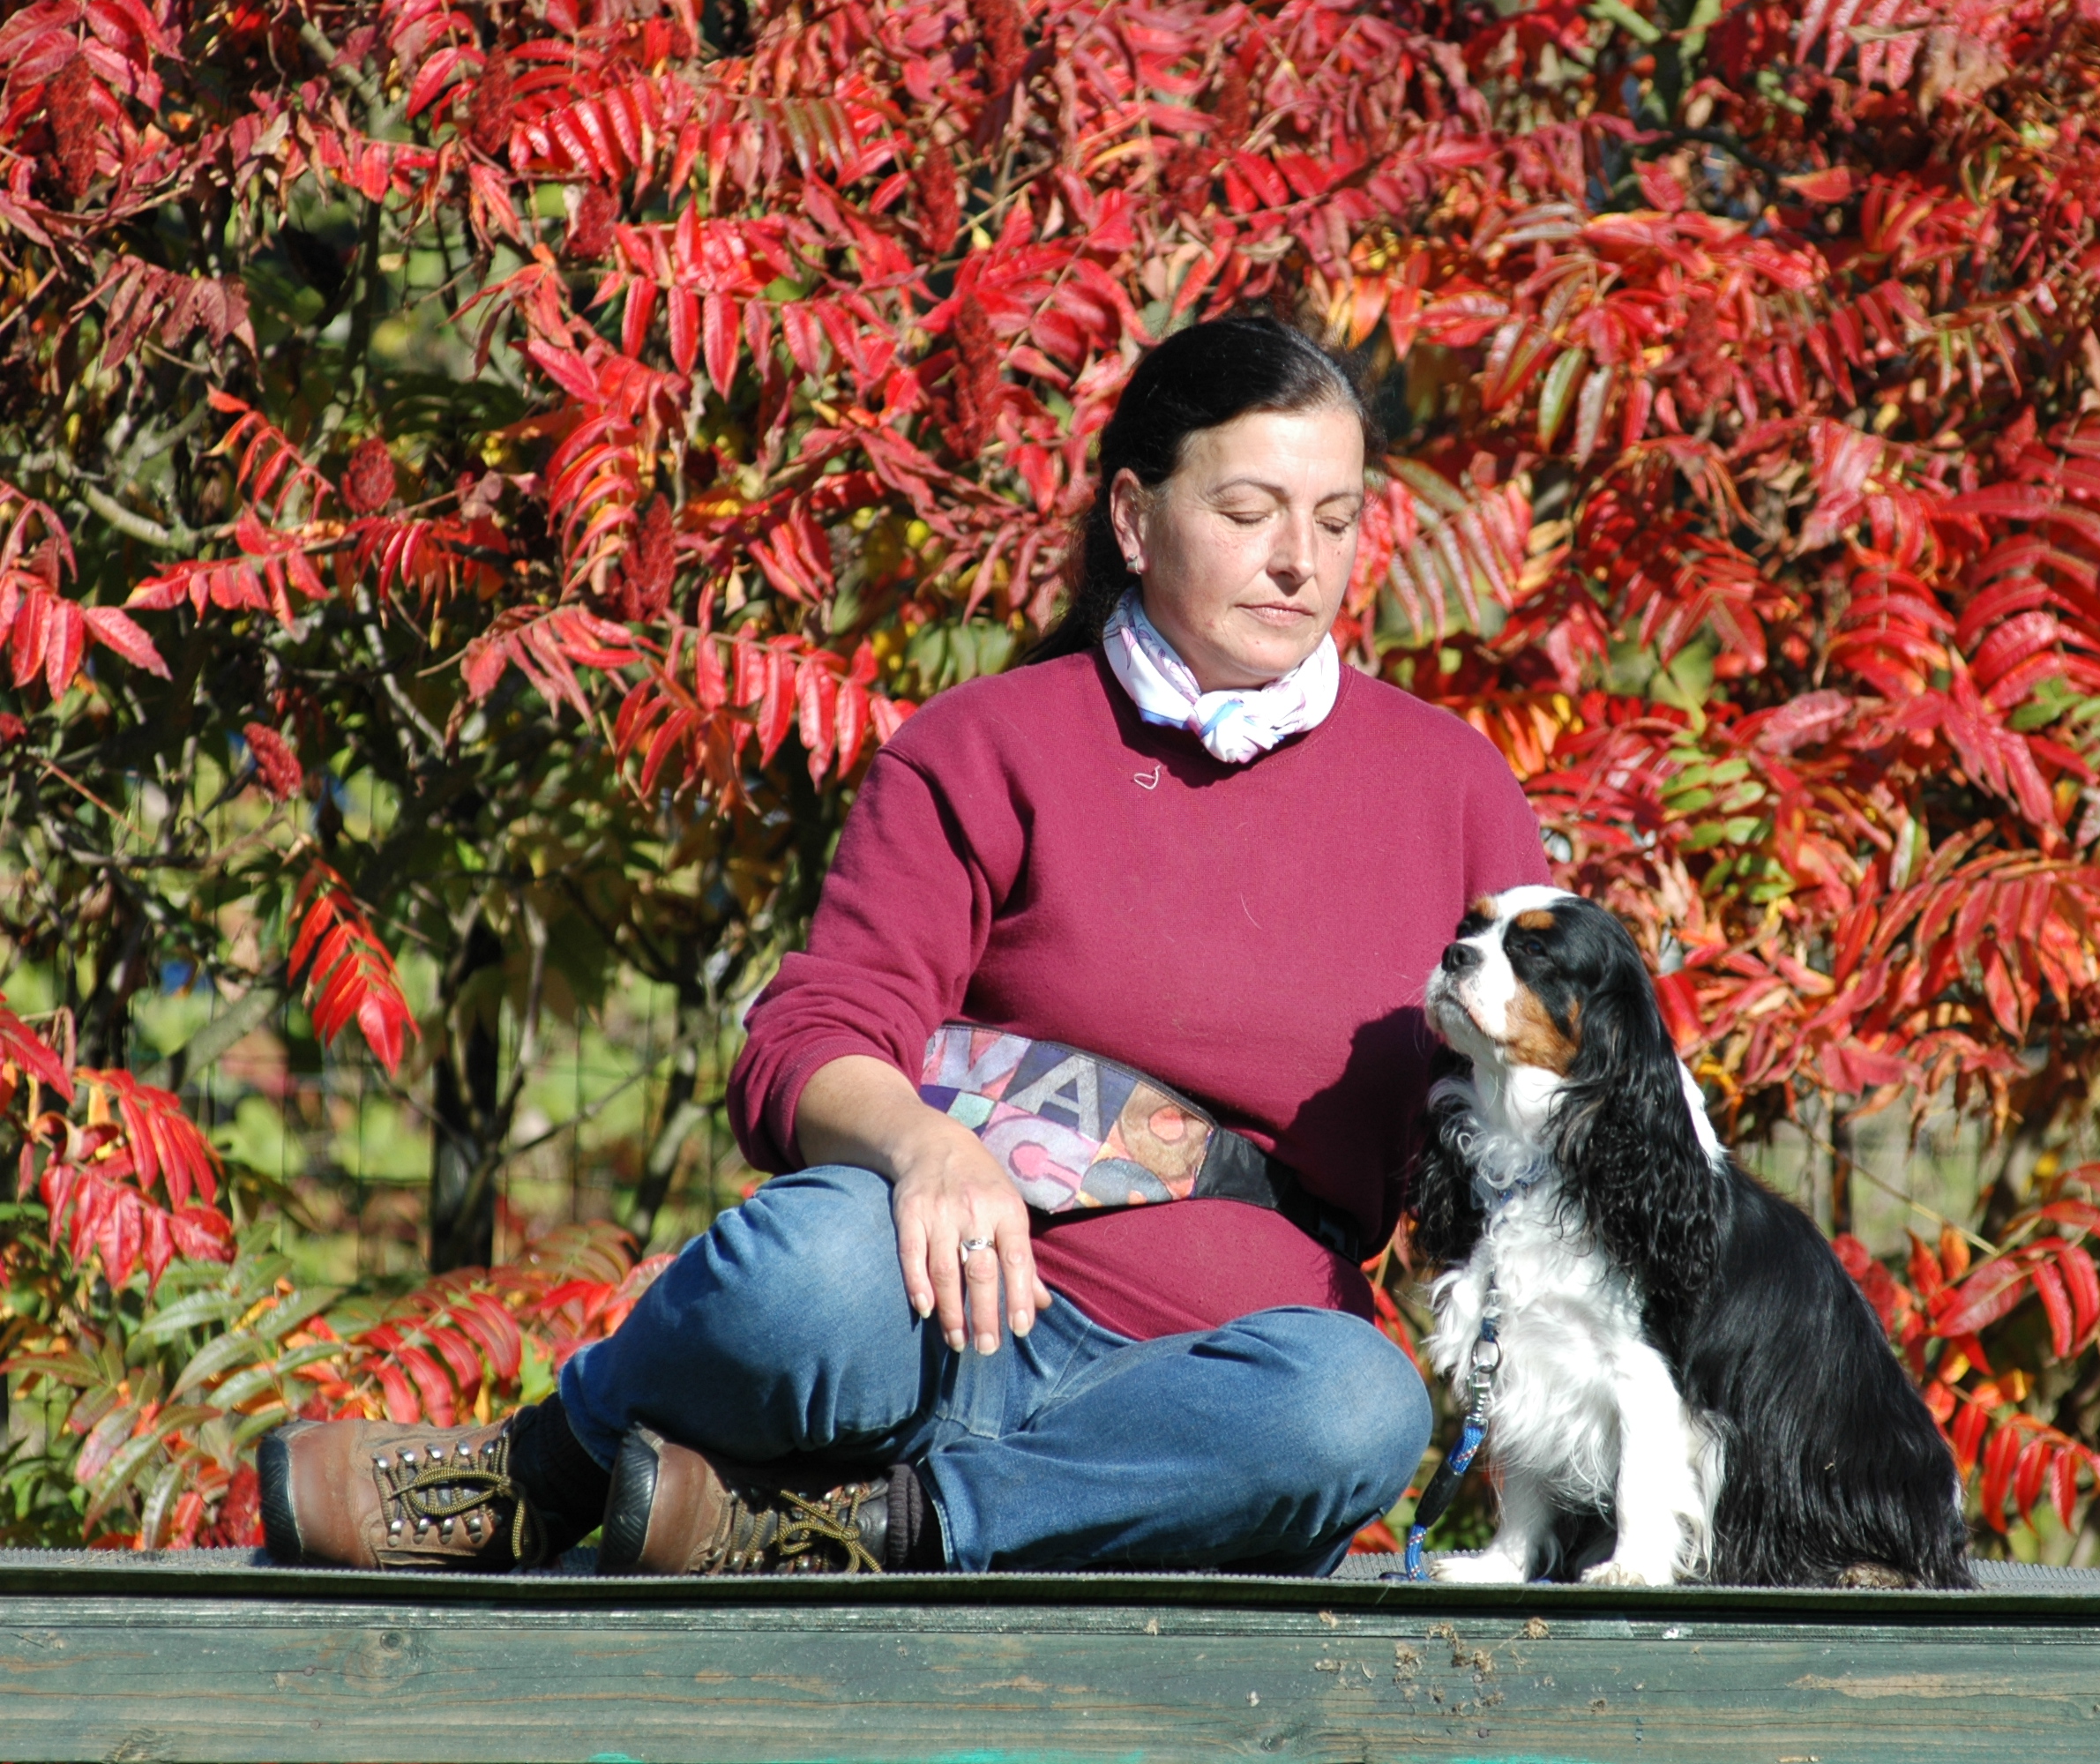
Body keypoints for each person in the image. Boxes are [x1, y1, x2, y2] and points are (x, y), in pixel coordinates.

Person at [257, 313, 1551, 1577]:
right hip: (933, 1321)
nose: (1300, 563)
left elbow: (1558, 1112)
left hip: (1209, 1406)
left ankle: (857, 1529)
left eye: (1337, 520)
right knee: (806, 1268)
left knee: (1359, 1406)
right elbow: (807, 1041)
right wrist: (927, 1150)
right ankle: (539, 1469)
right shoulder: (987, 744)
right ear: (1133, 516)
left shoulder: (1450, 790)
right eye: (1249, 512)